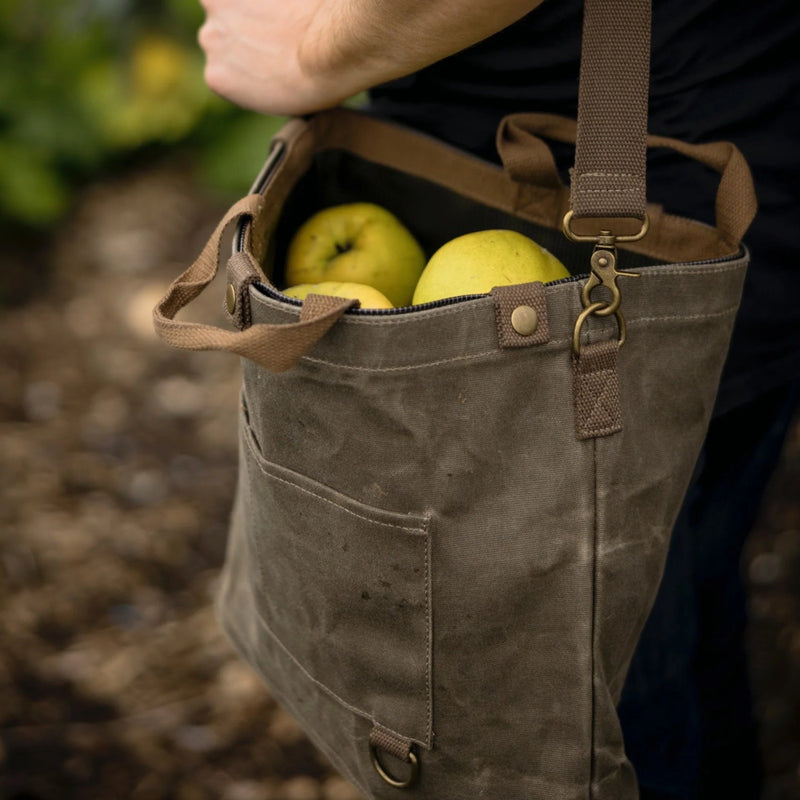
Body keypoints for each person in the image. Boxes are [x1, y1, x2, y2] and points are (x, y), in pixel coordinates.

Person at [197, 1, 800, 797]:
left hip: (636, 196)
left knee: (612, 687)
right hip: (733, 131)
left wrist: (313, 53)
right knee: (678, 615)